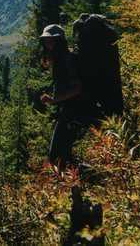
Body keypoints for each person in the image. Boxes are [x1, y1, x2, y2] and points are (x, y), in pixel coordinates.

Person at [39, 24, 94, 170]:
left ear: (59, 41)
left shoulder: (67, 60)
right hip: (70, 111)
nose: (48, 44)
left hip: (75, 111)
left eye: (51, 40)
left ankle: (95, 176)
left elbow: (77, 89)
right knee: (63, 156)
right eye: (46, 41)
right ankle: (83, 182)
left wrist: (53, 100)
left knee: (56, 155)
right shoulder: (60, 59)